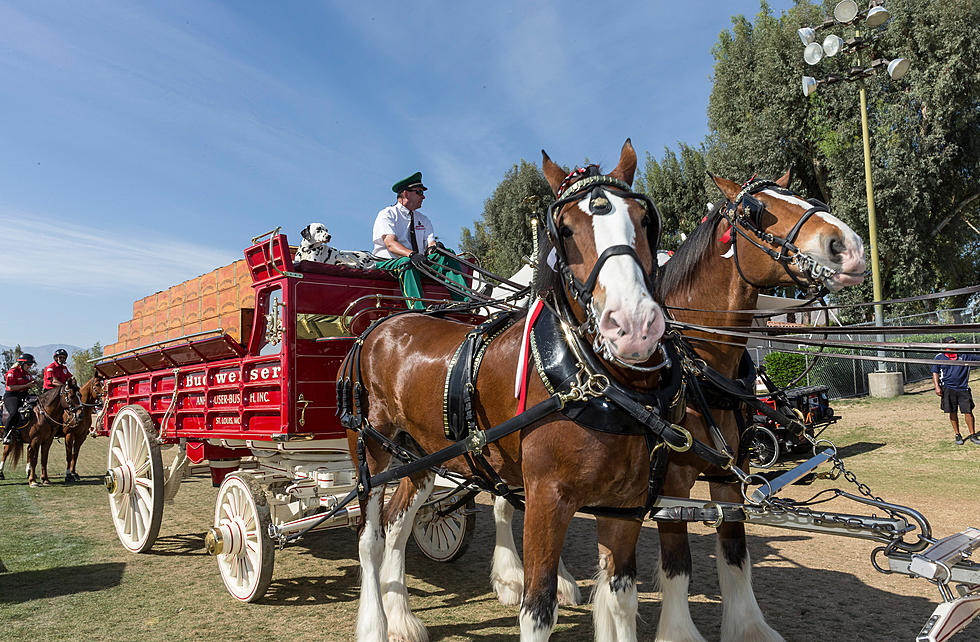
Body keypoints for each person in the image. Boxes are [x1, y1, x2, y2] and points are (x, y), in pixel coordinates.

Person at [373, 171, 468, 310]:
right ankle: (418, 309)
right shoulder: (387, 214)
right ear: (405, 194)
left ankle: (466, 302)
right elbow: (390, 244)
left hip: (418, 262)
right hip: (390, 262)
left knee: (447, 254)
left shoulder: (423, 219)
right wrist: (411, 255)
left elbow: (430, 245)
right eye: (419, 192)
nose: (423, 197)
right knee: (407, 262)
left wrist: (435, 248)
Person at [931, 336, 980, 445]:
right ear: (946, 346)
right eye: (953, 343)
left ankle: (973, 435)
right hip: (948, 388)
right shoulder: (940, 357)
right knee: (953, 412)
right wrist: (937, 386)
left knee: (968, 412)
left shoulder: (964, 355)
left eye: (956, 342)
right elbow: (935, 372)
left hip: (963, 388)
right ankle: (957, 434)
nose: (956, 345)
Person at [3, 353, 36, 444]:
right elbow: (11, 387)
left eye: (31, 364)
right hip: (12, 396)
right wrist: (26, 385)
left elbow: (28, 385)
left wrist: (32, 384)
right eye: (29, 364)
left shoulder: (27, 374)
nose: (30, 366)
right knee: (14, 412)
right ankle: (6, 433)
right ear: (22, 364)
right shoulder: (12, 372)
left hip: (24, 395)